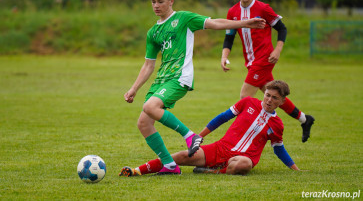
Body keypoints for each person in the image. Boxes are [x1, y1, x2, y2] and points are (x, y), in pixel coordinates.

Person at [124, 0, 266, 175]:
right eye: (153, 2)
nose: (156, 6)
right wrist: (134, 89)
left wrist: (243, 23)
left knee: (149, 107)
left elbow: (215, 23)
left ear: (171, 1)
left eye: (160, 1)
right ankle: (170, 165)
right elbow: (149, 64)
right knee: (144, 123)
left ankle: (190, 136)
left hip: (178, 77)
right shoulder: (153, 32)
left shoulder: (184, 18)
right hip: (161, 81)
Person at [120, 80, 300, 176]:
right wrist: (198, 136)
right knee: (182, 155)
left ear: (282, 102)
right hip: (221, 149)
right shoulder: (248, 103)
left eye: (274, 98)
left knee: (243, 164)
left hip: (244, 158)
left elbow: (279, 149)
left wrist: (295, 169)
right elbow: (222, 118)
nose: (269, 100)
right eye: (267, 95)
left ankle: (213, 171)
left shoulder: (278, 125)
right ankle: (137, 170)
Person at [220, 0, 314, 143]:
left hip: (264, 59)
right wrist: (224, 56)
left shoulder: (263, 8)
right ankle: (305, 120)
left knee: (244, 98)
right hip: (250, 62)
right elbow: (229, 36)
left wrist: (277, 50)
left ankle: (241, 136)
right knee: (274, 95)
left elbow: (282, 29)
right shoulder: (232, 11)